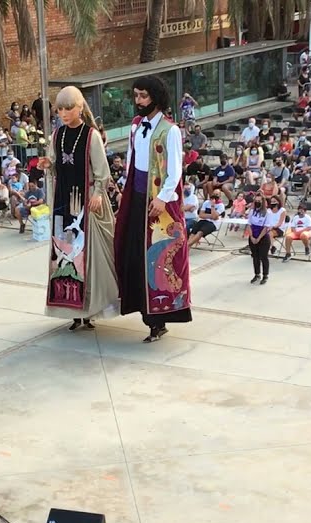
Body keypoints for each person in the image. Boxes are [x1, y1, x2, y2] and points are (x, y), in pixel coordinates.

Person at [111, 74, 192, 344]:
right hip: (136, 196)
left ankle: (158, 319)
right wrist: (125, 189)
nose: (138, 101)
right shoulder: (136, 126)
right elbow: (133, 161)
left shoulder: (170, 131)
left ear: (155, 97)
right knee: (134, 253)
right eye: (136, 96)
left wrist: (163, 198)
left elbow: (175, 170)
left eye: (143, 96)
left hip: (159, 203)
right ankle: (142, 309)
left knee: (155, 259)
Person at [38, 86, 119, 331]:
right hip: (64, 203)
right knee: (64, 256)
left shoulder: (91, 135)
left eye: (68, 108)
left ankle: (90, 309)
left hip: (86, 204)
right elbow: (54, 162)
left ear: (80, 108)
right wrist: (47, 164)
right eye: (60, 109)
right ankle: (72, 311)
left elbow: (102, 171)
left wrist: (97, 193)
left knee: (88, 257)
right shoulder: (56, 135)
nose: (63, 113)